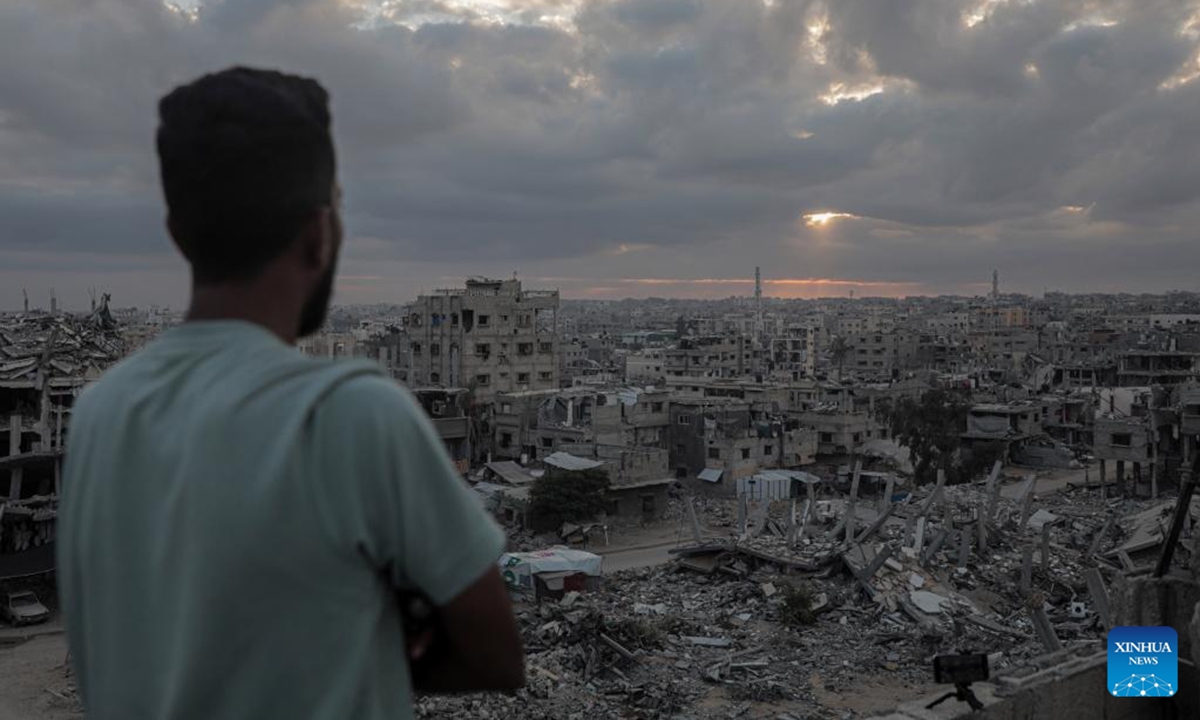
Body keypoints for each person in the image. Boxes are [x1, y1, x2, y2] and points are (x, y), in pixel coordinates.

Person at [57, 66, 524, 719]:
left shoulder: (99, 413)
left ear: (177, 231)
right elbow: (496, 656)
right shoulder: (351, 414)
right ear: (319, 233)